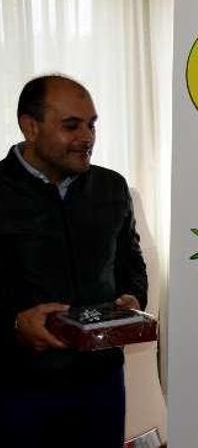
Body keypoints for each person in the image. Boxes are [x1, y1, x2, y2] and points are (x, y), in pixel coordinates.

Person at [0, 75, 148, 447]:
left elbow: (132, 264)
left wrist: (132, 299)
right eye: (71, 126)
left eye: (91, 124)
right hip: (20, 390)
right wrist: (15, 324)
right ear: (30, 127)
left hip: (102, 385)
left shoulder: (112, 187)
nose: (87, 137)